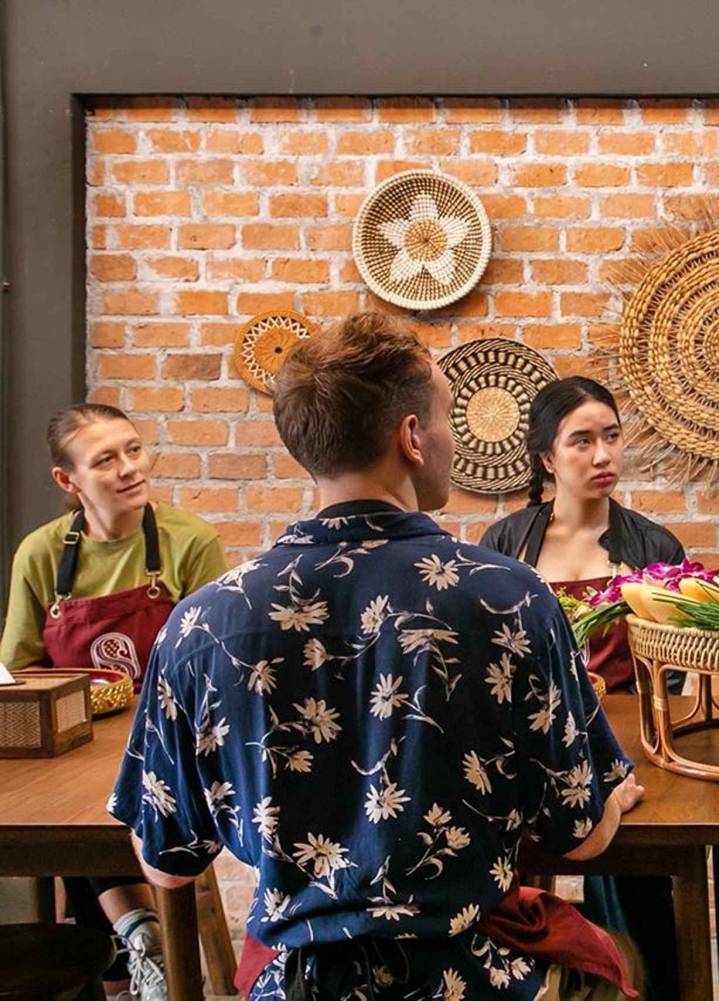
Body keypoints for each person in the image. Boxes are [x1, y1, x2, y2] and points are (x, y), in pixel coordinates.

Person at [109, 314, 645, 1000]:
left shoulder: (202, 624)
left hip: (299, 984)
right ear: (412, 437)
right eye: (447, 417)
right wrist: (614, 794)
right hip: (474, 979)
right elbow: (582, 839)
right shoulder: (510, 597)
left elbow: (166, 862)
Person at [1, 402, 227, 999]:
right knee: (66, 808)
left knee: (114, 802)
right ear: (67, 480)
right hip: (71, 741)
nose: (130, 468)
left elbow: (208, 665)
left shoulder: (188, 540)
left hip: (164, 738)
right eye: (106, 459)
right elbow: (21, 669)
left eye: (133, 449)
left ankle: (134, 934)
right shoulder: (42, 553)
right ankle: (142, 935)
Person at [481, 377, 686, 1000]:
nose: (603, 456)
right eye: (582, 442)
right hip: (530, 749)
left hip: (630, 747)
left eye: (612, 437)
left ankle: (644, 987)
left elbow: (672, 669)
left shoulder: (653, 546)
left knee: (634, 878)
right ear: (547, 458)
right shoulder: (505, 545)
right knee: (502, 874)